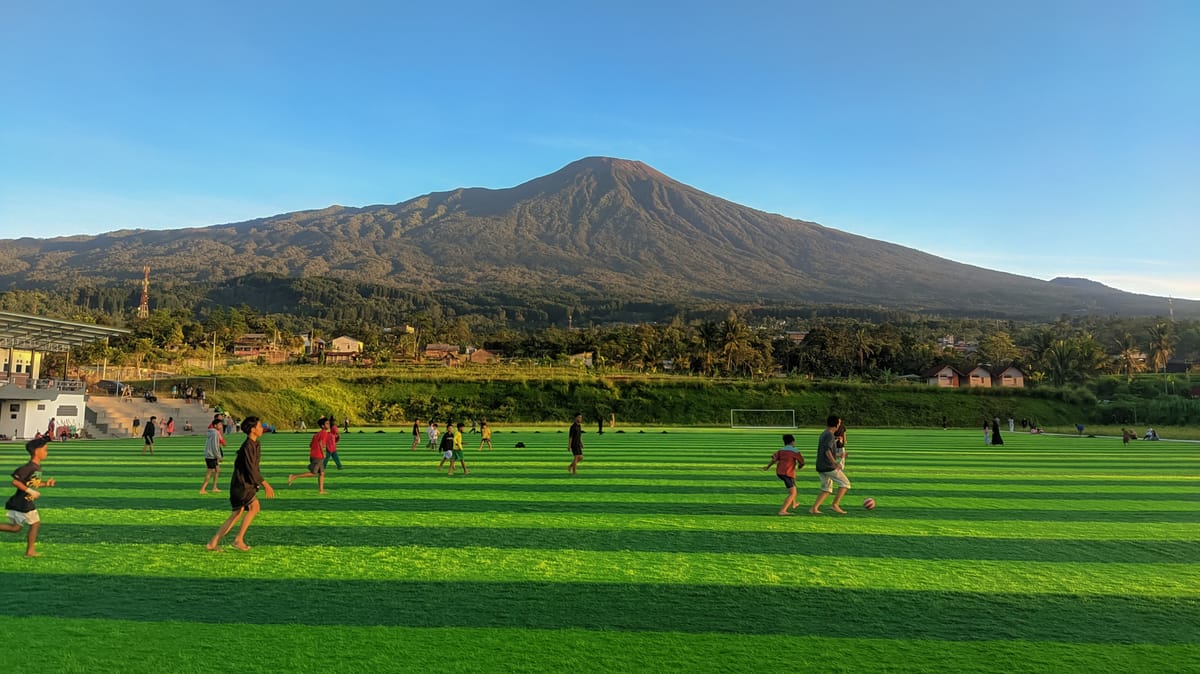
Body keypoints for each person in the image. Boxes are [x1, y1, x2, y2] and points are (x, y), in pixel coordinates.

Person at [206, 416, 275, 551]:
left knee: (237, 513)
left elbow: (255, 467)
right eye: (260, 426)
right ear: (253, 429)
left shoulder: (255, 444)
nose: (262, 429)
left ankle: (213, 543)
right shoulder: (248, 446)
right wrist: (265, 484)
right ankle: (237, 539)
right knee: (253, 507)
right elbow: (252, 469)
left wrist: (257, 483)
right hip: (241, 485)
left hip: (246, 484)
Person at [2, 437, 57, 557]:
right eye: (45, 450)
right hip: (22, 502)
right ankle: (30, 551)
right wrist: (30, 491)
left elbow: (33, 483)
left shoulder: (37, 467)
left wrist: (46, 484)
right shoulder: (29, 467)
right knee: (35, 524)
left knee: (15, 528)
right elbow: (15, 482)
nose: (46, 453)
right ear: (37, 451)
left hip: (23, 502)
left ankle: (30, 551)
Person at [810, 415, 851, 515]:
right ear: (836, 424)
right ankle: (835, 504)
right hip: (828, 466)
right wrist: (835, 463)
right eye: (839, 423)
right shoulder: (829, 435)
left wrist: (840, 455)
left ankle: (814, 508)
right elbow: (827, 451)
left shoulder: (824, 433)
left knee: (827, 489)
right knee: (845, 483)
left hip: (820, 466)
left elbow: (826, 450)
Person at [762, 433, 804, 515]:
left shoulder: (781, 450)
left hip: (780, 472)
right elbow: (802, 462)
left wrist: (767, 467)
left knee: (793, 485)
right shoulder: (795, 450)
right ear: (793, 442)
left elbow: (774, 458)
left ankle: (794, 503)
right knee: (793, 492)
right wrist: (800, 466)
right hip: (787, 473)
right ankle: (783, 511)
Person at [289, 419, 330, 494]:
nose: (328, 424)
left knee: (322, 473)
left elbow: (310, 445)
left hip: (313, 455)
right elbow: (321, 443)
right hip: (318, 456)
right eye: (327, 423)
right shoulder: (324, 433)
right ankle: (294, 476)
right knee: (313, 473)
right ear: (322, 426)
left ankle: (321, 490)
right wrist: (323, 453)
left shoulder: (316, 434)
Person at [200, 414, 226, 494]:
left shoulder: (212, 432)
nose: (221, 426)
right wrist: (219, 456)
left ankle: (214, 487)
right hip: (211, 455)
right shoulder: (215, 433)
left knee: (217, 470)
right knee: (209, 472)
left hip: (210, 454)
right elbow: (215, 446)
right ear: (215, 425)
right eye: (220, 424)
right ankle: (202, 489)